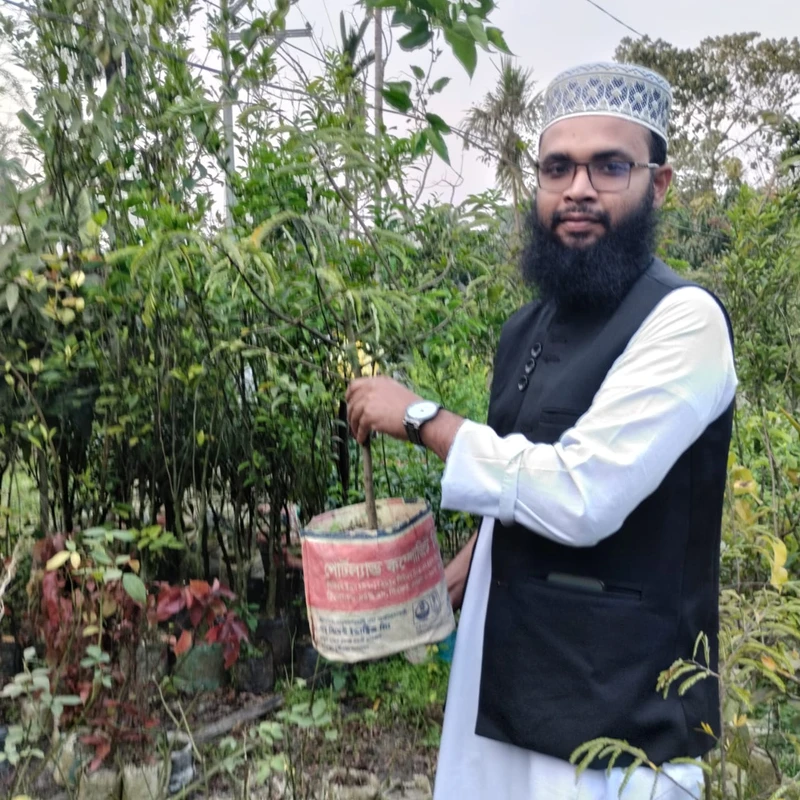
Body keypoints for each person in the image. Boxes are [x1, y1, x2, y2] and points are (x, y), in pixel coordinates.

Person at [345, 62, 737, 800]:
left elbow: (582, 493)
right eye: (558, 167)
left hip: (617, 713)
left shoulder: (685, 322)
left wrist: (423, 418)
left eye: (609, 166)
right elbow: (526, 472)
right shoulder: (528, 325)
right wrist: (471, 560)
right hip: (506, 688)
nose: (578, 188)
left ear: (658, 185)